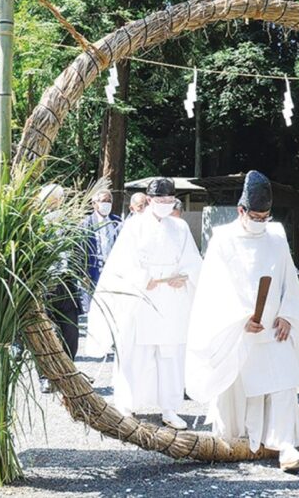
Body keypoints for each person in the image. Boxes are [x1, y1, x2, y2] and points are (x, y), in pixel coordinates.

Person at [185, 170, 299, 472]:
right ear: (241, 210)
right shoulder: (222, 239)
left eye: (265, 216)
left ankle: (285, 445)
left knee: (283, 382)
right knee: (238, 386)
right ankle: (237, 439)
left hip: (273, 327)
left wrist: (287, 314)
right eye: (255, 216)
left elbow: (288, 280)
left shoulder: (277, 235)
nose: (260, 222)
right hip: (239, 329)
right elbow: (213, 289)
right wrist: (238, 320)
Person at [86, 177, 201, 430]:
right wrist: (143, 278)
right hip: (141, 298)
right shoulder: (134, 226)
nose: (165, 204)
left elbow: (192, 259)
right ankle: (127, 405)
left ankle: (170, 407)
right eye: (160, 200)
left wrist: (185, 275)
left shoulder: (179, 227)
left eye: (169, 200)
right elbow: (122, 263)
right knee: (134, 353)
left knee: (170, 355)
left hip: (171, 299)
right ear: (149, 200)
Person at [37, 184, 82, 394]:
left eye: (60, 198)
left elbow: (80, 251)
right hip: (45, 284)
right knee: (46, 334)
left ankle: (68, 372)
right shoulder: (36, 223)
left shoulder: (70, 221)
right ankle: (46, 376)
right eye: (55, 198)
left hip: (67, 284)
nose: (58, 201)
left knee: (71, 332)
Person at [79, 189, 122, 312]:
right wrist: (83, 273)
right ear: (94, 204)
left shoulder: (116, 222)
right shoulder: (86, 224)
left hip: (113, 273)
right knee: (94, 309)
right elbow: (80, 250)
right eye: (103, 201)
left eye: (109, 201)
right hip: (93, 273)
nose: (107, 204)